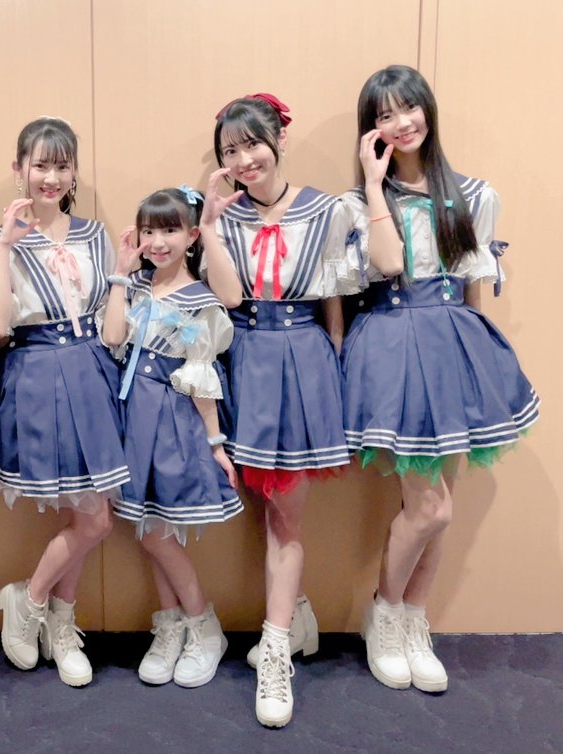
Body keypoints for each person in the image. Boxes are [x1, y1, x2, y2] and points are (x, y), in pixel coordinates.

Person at [343, 65, 539, 695]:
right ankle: (384, 615)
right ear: (371, 129)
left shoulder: (474, 194)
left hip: (454, 347)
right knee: (431, 507)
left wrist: (479, 359)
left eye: (409, 108)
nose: (401, 123)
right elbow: (388, 263)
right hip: (395, 349)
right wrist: (373, 183)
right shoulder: (359, 203)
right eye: (384, 115)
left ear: (428, 109)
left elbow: (472, 287)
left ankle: (412, 620)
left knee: (436, 511)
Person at [0, 117, 127, 687]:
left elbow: (109, 316)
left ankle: (41, 609)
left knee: (88, 513)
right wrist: (7, 246)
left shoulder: (94, 235)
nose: (51, 177)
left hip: (92, 370)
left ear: (74, 172)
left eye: (62, 166)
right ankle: (43, 610)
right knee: (86, 515)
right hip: (35, 372)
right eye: (40, 165)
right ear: (19, 169)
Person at [208, 94, 360, 727]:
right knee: (268, 505)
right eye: (230, 151)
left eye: (252, 144)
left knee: (287, 512)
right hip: (246, 357)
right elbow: (228, 297)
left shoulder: (327, 210)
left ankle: (275, 652)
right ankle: (293, 616)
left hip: (302, 360)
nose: (245, 160)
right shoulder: (226, 219)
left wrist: (334, 367)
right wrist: (210, 226)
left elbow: (334, 303)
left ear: (279, 140)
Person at [101, 182, 243, 689]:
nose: (157, 242)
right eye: (148, 231)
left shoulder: (201, 302)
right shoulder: (135, 285)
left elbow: (201, 381)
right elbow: (113, 337)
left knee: (158, 531)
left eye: (169, 231)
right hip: (131, 415)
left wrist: (215, 442)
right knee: (148, 526)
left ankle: (203, 625)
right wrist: (121, 273)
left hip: (172, 419)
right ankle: (170, 628)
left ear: (191, 236)